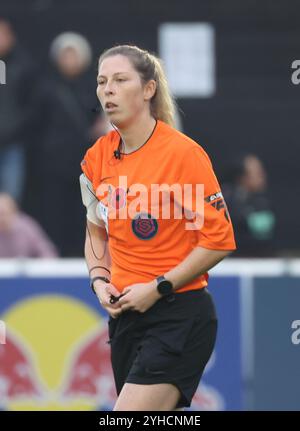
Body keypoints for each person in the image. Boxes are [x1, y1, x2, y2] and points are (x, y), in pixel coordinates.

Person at [80, 45, 236, 411]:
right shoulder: (96, 157)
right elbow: (95, 231)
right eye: (102, 81)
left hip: (178, 313)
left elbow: (219, 240)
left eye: (120, 80)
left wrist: (158, 286)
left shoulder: (182, 155)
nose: (108, 90)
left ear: (148, 89)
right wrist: (100, 280)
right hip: (125, 319)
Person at [222, 153, 276, 257]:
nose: (263, 177)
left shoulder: (263, 202)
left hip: (261, 259)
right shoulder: (225, 201)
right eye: (258, 173)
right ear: (242, 177)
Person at [0, 193, 58, 258]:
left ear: (14, 212)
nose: (1, 218)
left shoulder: (26, 227)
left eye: (3, 213)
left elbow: (48, 252)